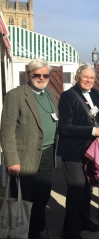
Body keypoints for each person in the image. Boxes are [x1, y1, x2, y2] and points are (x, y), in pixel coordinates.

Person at [1, 59, 58, 239]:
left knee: (43, 194)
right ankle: (24, 232)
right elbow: (7, 130)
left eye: (45, 75)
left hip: (48, 153)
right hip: (24, 157)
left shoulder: (50, 92)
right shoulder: (16, 95)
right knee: (25, 198)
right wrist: (12, 160)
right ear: (29, 74)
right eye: (37, 75)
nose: (41, 78)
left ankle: (36, 229)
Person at [58, 64, 99, 239]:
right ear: (77, 77)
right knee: (76, 189)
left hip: (91, 151)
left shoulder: (96, 94)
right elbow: (64, 127)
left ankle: (85, 220)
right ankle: (71, 231)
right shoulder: (68, 96)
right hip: (73, 152)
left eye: (92, 78)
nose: (89, 80)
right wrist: (93, 132)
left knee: (87, 189)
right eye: (85, 77)